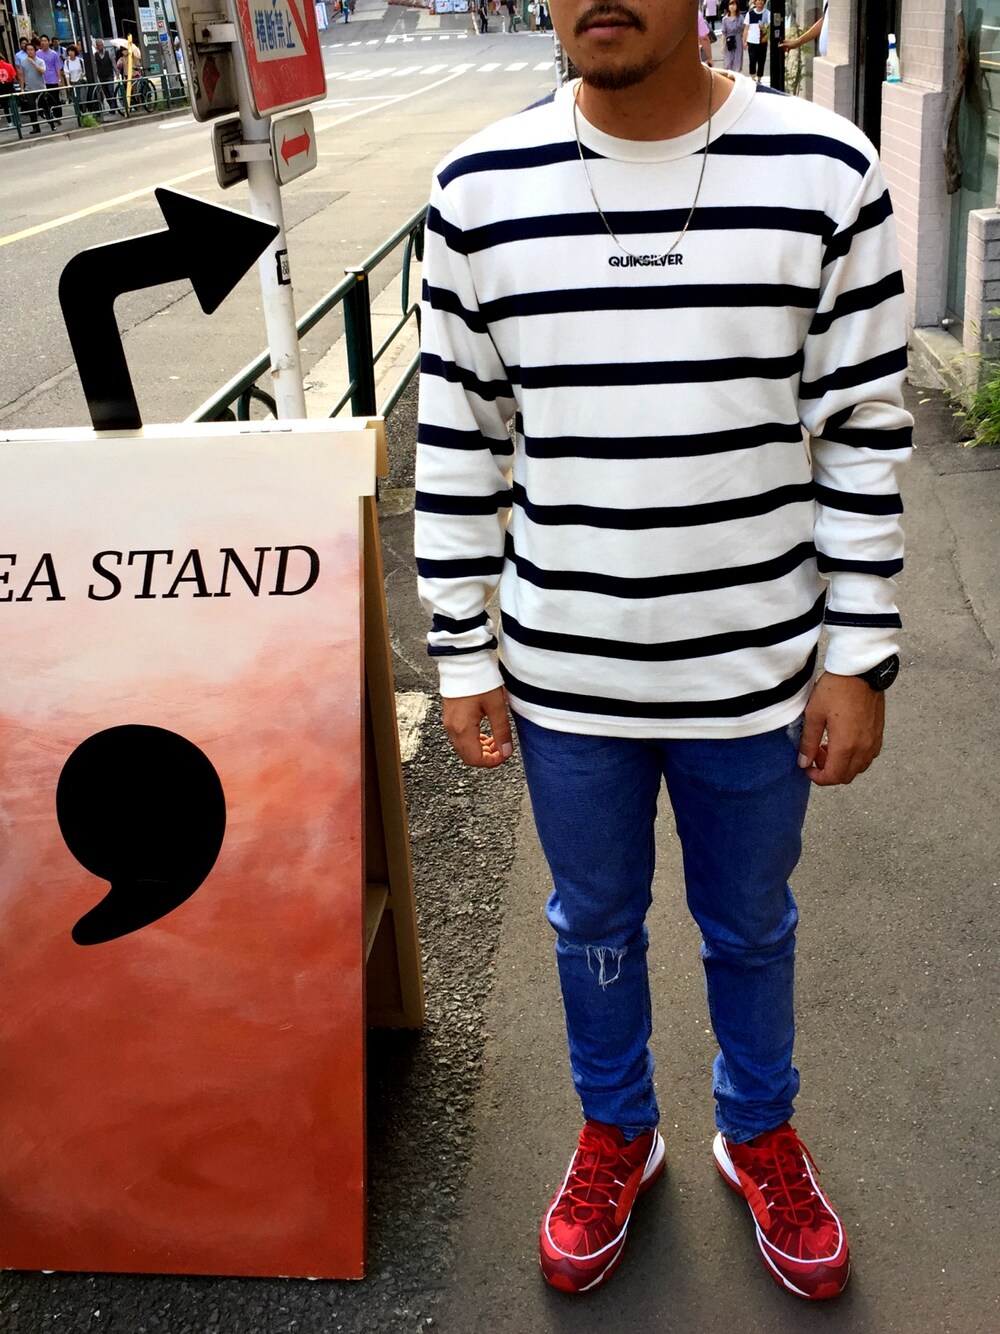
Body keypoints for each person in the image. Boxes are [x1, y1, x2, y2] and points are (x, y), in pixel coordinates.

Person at [416, 0, 911, 1303]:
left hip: (756, 670)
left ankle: (757, 1129)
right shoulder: (477, 190)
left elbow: (863, 428)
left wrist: (858, 651)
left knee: (750, 924)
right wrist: (461, 650)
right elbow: (459, 441)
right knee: (591, 925)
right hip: (568, 673)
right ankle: (617, 1130)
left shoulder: (824, 171)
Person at [17, 41, 50, 133]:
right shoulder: (23, 62)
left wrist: (34, 64)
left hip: (40, 88)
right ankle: (35, 127)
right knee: (31, 108)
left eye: (31, 49)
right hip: (29, 89)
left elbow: (43, 71)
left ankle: (51, 122)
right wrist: (22, 88)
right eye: (28, 50)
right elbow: (22, 75)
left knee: (45, 106)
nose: (30, 51)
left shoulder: (40, 61)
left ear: (35, 51)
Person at [36, 34, 65, 127]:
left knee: (55, 99)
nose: (43, 43)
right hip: (42, 80)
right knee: (45, 101)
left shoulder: (54, 54)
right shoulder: (37, 54)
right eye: (42, 41)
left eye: (45, 41)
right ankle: (49, 117)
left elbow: (57, 67)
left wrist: (59, 79)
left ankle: (58, 117)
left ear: (48, 42)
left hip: (53, 80)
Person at [743, 0, 769, 81]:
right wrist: (744, 40)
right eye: (758, 0)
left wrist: (763, 28)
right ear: (755, 2)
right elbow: (746, 28)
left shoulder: (767, 13)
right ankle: (752, 76)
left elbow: (769, 29)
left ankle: (759, 77)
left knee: (762, 60)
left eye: (762, 0)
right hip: (751, 40)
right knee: (752, 59)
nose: (760, 2)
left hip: (762, 41)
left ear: (764, 2)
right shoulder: (750, 14)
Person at [93, 38, 116, 111]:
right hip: (101, 76)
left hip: (109, 75)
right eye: (98, 45)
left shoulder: (108, 53)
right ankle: (111, 106)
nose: (100, 46)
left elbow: (113, 64)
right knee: (106, 93)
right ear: (96, 46)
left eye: (101, 45)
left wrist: (117, 73)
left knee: (111, 90)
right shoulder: (95, 55)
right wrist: (96, 76)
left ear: (103, 45)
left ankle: (114, 106)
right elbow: (95, 67)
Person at [720, 0, 744, 70]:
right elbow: (723, 34)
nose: (732, 6)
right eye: (730, 4)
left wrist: (744, 42)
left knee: (737, 60)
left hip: (738, 41)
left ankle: (735, 74)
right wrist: (722, 46)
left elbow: (744, 31)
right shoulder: (724, 19)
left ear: (737, 6)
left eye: (734, 4)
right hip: (728, 41)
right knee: (728, 61)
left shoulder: (741, 18)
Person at [0, 51, 17, 127]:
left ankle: (9, 121)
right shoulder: (9, 65)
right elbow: (14, 77)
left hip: (0, 87)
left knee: (5, 106)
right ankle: (16, 120)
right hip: (9, 86)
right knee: (13, 104)